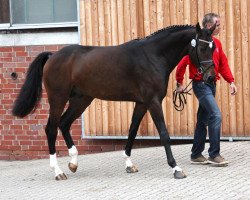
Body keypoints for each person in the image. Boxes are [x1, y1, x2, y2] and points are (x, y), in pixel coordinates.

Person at [176, 13, 237, 166]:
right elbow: (182, 63)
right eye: (219, 25)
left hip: (212, 84)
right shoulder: (198, 43)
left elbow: (222, 64)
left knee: (203, 120)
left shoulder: (216, 43)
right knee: (215, 115)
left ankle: (196, 154)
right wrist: (179, 82)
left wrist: (231, 81)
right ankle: (214, 154)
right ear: (209, 26)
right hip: (201, 85)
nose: (221, 27)